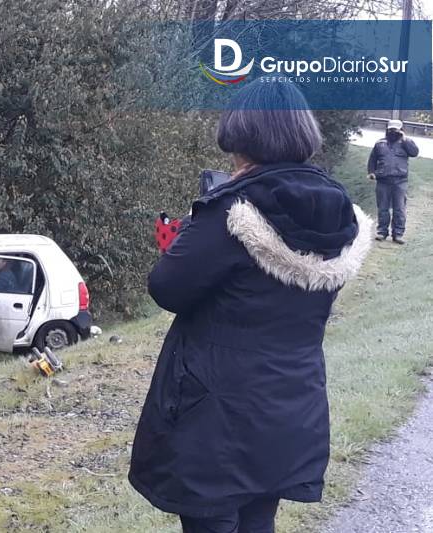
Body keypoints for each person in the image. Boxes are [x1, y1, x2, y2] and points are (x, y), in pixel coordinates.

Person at [128, 80, 374, 533]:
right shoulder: (338, 212)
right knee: (259, 518)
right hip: (290, 404)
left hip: (216, 414)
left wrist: (190, 228)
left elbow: (166, 288)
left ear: (243, 139)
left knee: (212, 521)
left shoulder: (232, 212)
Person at [367, 119, 419, 244]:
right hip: (383, 181)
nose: (393, 132)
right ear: (387, 129)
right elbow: (372, 159)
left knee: (399, 208)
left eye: (396, 129)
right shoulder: (380, 143)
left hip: (400, 181)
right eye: (391, 129)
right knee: (383, 208)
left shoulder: (407, 143)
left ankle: (398, 234)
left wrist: (405, 138)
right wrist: (371, 172)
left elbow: (415, 153)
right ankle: (382, 232)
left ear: (401, 130)